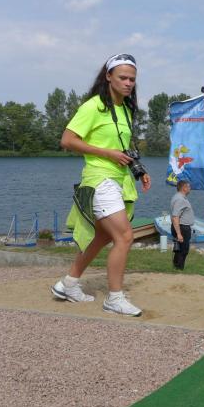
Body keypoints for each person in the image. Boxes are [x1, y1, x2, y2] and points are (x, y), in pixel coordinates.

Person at [50, 53, 151, 317]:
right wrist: (107, 153)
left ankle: (68, 284)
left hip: (119, 178)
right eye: (123, 78)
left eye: (132, 79)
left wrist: (139, 170)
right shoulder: (93, 106)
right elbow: (67, 140)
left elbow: (122, 147)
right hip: (99, 179)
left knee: (103, 236)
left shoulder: (125, 109)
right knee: (125, 236)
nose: (128, 83)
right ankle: (114, 299)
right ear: (108, 76)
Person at [170, 180, 194, 270]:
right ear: (184, 188)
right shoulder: (180, 199)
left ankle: (176, 268)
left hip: (180, 227)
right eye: (189, 187)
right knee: (183, 250)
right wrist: (179, 234)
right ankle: (179, 269)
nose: (190, 188)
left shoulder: (178, 197)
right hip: (182, 227)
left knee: (179, 249)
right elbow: (175, 217)